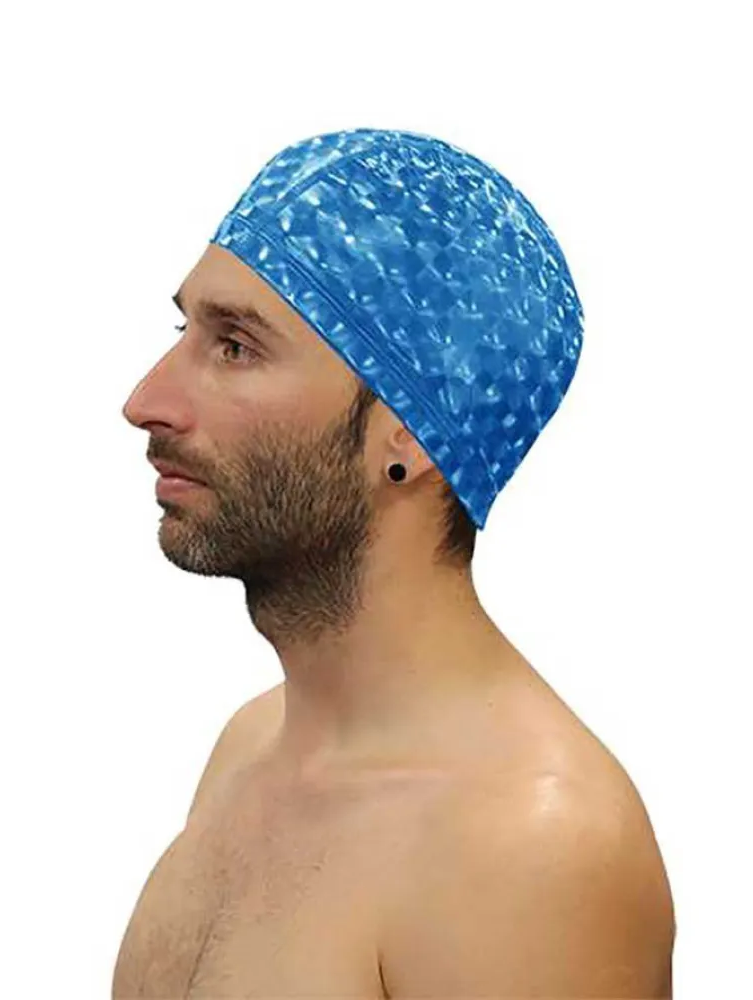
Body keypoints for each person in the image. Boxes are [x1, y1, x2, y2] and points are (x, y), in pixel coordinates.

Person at [114, 128, 675, 998]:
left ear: (408, 435)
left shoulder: (530, 845)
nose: (146, 401)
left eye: (235, 347)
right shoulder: (250, 750)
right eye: (186, 330)